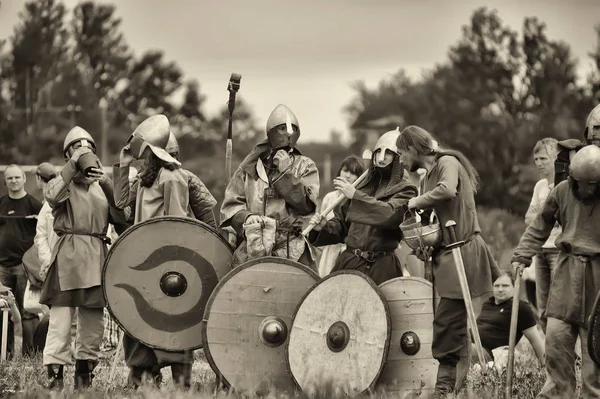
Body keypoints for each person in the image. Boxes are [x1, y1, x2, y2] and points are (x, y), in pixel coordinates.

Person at [396, 125, 499, 398]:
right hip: (446, 254)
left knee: (446, 323)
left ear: (411, 148)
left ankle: (444, 388)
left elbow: (447, 191)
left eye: (401, 153)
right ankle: (462, 386)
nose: (400, 160)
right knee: (454, 323)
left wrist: (414, 202)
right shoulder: (424, 178)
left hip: (462, 251)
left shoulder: (447, 163)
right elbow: (433, 223)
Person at [41, 126, 127, 390]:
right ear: (69, 154)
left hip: (96, 257)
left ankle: (83, 378)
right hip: (68, 256)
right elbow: (51, 194)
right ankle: (55, 380)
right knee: (61, 322)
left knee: (92, 323)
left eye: (87, 148)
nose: (84, 153)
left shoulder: (101, 186)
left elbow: (122, 219)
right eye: (78, 148)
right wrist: (72, 164)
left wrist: (108, 183)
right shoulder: (63, 183)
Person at [512, 144, 600, 398]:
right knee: (556, 339)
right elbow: (540, 225)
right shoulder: (561, 191)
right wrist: (522, 255)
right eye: (582, 183)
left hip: (597, 277)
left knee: (595, 350)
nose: (587, 189)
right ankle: (558, 395)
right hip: (567, 273)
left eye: (592, 183)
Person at [113, 114, 193, 390]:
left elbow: (177, 222)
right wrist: (123, 166)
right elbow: (121, 203)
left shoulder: (172, 177)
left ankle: (181, 383)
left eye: (143, 152)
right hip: (142, 257)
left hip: (166, 261)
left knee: (173, 319)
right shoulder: (147, 178)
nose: (140, 156)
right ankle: (142, 377)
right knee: (139, 315)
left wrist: (172, 261)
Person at [309, 129, 417, 285]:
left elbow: (390, 214)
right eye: (378, 151)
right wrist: (324, 227)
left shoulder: (406, 189)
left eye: (388, 153)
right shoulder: (361, 186)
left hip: (382, 268)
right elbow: (342, 224)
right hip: (349, 264)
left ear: (398, 156)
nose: (382, 157)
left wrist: (356, 196)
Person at [220, 104, 320, 269]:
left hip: (293, 249)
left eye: (290, 129)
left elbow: (307, 206)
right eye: (281, 128)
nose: (287, 133)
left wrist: (286, 174)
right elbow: (230, 206)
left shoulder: (306, 166)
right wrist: (246, 217)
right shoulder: (249, 167)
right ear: (272, 132)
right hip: (254, 246)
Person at [0, 164, 43, 357]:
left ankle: (30, 354)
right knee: (3, 312)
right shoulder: (1, 204)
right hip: (2, 267)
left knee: (28, 312)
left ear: (24, 179)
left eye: (17, 177)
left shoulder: (35, 205)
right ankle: (5, 353)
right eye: (10, 178)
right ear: (5, 181)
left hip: (24, 267)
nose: (14, 181)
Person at [523, 138, 561, 329]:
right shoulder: (539, 186)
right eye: (536, 159)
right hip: (540, 250)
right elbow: (528, 219)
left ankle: (572, 356)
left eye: (543, 159)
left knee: (560, 305)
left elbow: (561, 217)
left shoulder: (564, 184)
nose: (539, 163)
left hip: (558, 249)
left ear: (555, 157)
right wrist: (546, 215)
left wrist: (542, 216)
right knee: (542, 308)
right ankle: (551, 355)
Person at [473, 272, 545, 365]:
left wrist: (546, 366)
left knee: (458, 349)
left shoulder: (520, 307)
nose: (500, 289)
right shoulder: (487, 304)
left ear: (515, 288)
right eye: (496, 286)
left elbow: (535, 340)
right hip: (469, 344)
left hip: (485, 352)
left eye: (505, 286)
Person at [316, 155, 365, 277]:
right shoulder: (329, 198)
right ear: (339, 172)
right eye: (345, 171)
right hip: (330, 252)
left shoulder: (361, 200)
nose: (348, 176)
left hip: (351, 254)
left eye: (353, 173)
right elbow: (323, 229)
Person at [165, 132, 218, 228]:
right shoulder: (141, 181)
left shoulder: (188, 178)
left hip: (183, 236)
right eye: (168, 155)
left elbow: (207, 218)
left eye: (173, 155)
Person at [554, 103, 600, 185]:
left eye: (598, 128)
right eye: (594, 128)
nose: (594, 133)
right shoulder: (578, 154)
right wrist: (565, 165)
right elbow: (561, 193)